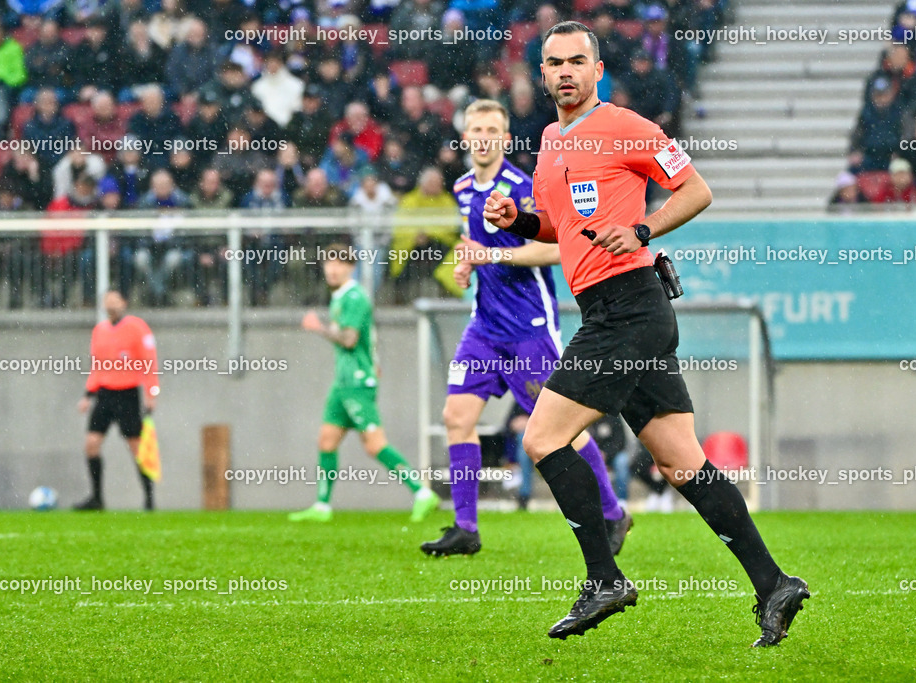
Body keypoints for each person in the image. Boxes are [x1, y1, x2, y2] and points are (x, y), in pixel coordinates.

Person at [482, 21, 809, 646]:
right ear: (542, 73)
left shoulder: (627, 126)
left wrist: (643, 231)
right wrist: (519, 220)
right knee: (681, 462)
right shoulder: (550, 138)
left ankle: (604, 578)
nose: (567, 71)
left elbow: (697, 190)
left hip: (628, 309)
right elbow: (561, 228)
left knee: (543, 438)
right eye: (555, 63)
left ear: (597, 69)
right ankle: (774, 584)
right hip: (614, 312)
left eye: (579, 60)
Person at [419, 99, 631, 557]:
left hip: (530, 327)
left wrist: (490, 256)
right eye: (475, 128)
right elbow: (473, 243)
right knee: (456, 418)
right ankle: (465, 527)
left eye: (492, 129)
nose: (483, 136)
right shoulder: (460, 187)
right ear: (465, 137)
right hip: (484, 327)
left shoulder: (522, 187)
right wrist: (465, 265)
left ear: (505, 138)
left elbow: (557, 249)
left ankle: (613, 511)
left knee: (563, 430)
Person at [289, 245, 441, 523]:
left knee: (374, 444)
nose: (332, 269)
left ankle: (421, 492)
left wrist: (317, 327)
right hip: (344, 381)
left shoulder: (355, 297)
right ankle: (322, 506)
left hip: (357, 382)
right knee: (326, 440)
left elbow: (349, 339)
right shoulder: (341, 297)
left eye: (338, 264)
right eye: (328, 264)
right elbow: (366, 337)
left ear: (350, 267)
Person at [75, 290, 159, 511]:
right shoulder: (99, 331)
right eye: (108, 301)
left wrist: (151, 393)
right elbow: (97, 366)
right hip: (104, 394)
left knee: (136, 447)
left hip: (127, 394)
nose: (111, 305)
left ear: (124, 303)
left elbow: (149, 361)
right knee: (91, 444)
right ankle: (97, 498)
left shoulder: (137, 327)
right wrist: (87, 395)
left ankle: (149, 498)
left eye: (115, 300)